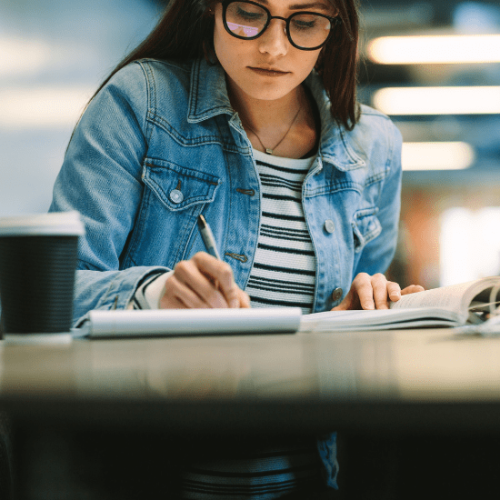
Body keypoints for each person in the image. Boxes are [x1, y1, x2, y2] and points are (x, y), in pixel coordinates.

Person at [50, 0, 423, 497]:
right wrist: (156, 294)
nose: (273, 46)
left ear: (334, 29)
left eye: (305, 22)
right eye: (249, 13)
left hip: (305, 480)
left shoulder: (373, 146)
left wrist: (355, 319)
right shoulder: (142, 101)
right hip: (147, 474)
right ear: (210, 9)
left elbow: (361, 363)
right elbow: (50, 296)